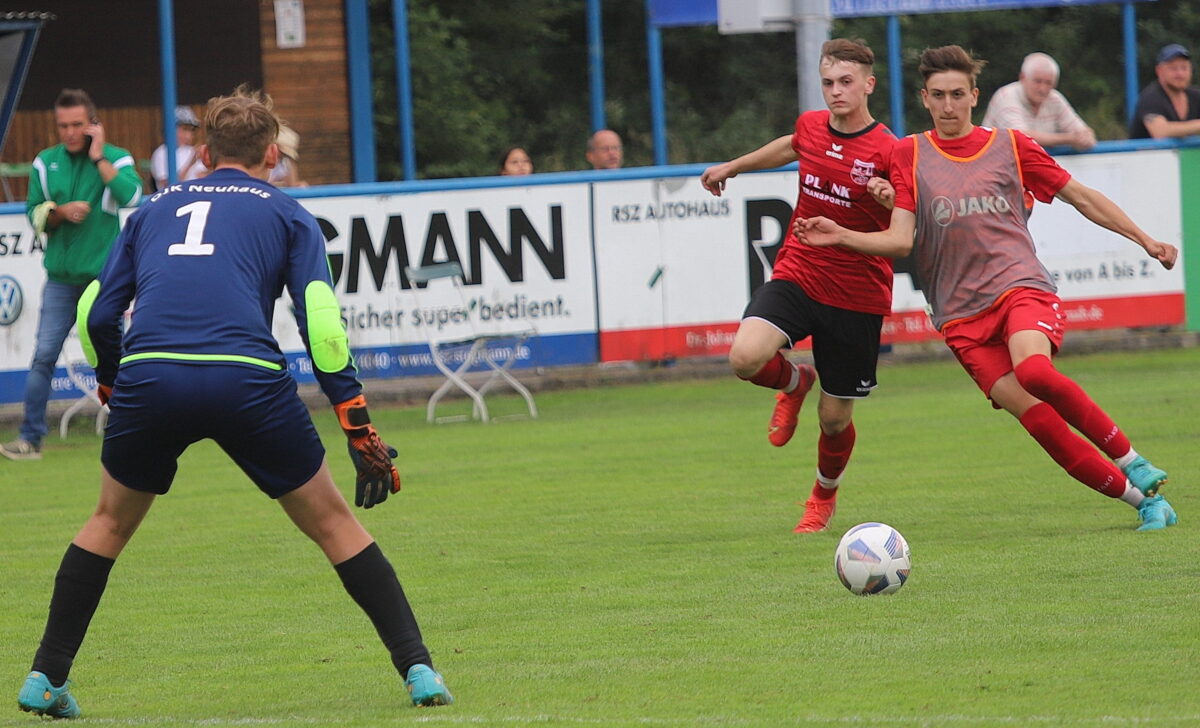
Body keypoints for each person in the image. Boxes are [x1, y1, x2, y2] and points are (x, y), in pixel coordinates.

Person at [14, 86, 452, 719]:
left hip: (152, 376)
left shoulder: (153, 210)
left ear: (204, 153)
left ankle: (45, 676)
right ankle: (418, 669)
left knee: (107, 523)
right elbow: (322, 322)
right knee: (335, 524)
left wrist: (114, 386)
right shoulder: (289, 213)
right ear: (273, 154)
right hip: (245, 378)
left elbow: (97, 313)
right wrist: (357, 427)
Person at [796, 45, 1178, 532]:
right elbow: (900, 238)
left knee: (1034, 370)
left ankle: (1131, 459)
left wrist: (1145, 240)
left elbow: (1080, 196)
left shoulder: (1011, 145)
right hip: (959, 314)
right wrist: (849, 229)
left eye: (958, 94)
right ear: (924, 98)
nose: (948, 105)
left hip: (1019, 286)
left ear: (975, 96)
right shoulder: (907, 154)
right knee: (1038, 420)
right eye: (938, 95)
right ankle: (1144, 503)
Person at [699, 38, 896, 534]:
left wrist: (889, 197)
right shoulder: (811, 126)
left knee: (834, 420)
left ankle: (823, 496)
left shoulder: (889, 149)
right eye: (828, 82)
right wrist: (734, 166)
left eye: (846, 82)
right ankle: (794, 382)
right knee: (745, 357)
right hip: (800, 271)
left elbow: (907, 223)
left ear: (869, 85)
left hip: (857, 294)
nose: (836, 91)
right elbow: (791, 146)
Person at [0, 89, 142, 462]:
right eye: (63, 126)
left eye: (77, 125)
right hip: (60, 280)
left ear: (93, 124)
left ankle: (130, 432)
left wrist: (99, 158)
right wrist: (59, 213)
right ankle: (30, 439)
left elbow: (131, 196)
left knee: (115, 359)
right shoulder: (45, 162)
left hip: (102, 283)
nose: (69, 132)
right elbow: (33, 212)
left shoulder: (116, 158)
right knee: (43, 356)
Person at [981, 52, 1096, 150]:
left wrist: (1085, 137)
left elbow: (1083, 132)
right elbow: (1021, 137)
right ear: (1022, 78)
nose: (1043, 89)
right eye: (1038, 81)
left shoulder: (1054, 98)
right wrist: (1069, 139)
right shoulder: (1006, 96)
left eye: (1048, 83)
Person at [1129, 43, 1200, 139]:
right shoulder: (1151, 97)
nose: (1180, 73)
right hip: (1146, 149)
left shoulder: (1195, 96)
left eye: (1184, 68)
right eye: (1173, 68)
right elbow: (1160, 131)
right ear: (1159, 71)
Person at [149, 105, 207, 189]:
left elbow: (203, 177)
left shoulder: (192, 151)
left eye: (191, 130)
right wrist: (190, 163)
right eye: (185, 129)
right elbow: (168, 186)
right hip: (176, 197)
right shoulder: (161, 153)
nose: (189, 134)